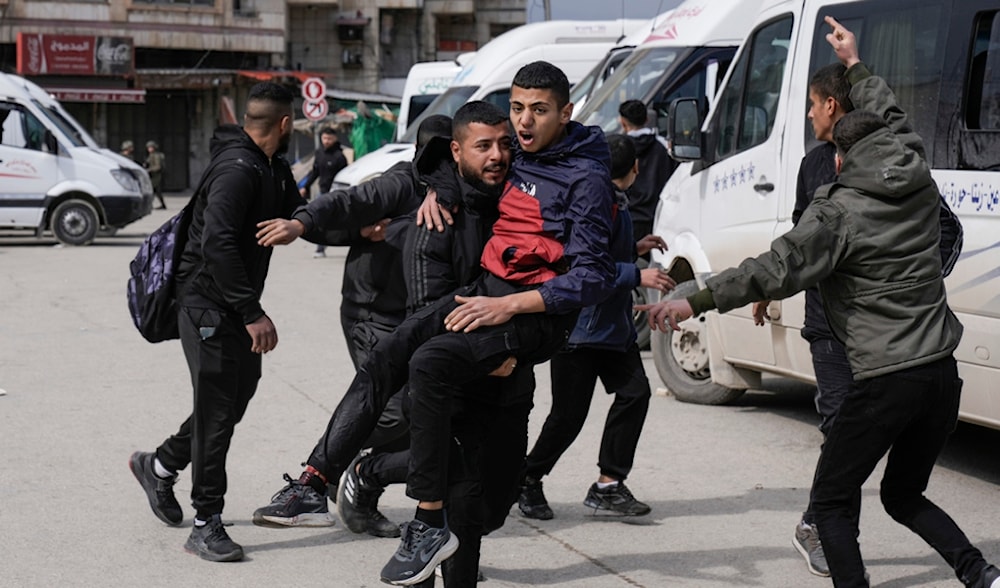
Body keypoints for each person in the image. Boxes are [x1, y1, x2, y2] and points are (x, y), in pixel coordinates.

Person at [640, 18, 1000, 588]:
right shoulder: (915, 169)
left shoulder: (838, 213)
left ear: (838, 156)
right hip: (941, 375)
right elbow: (890, 114)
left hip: (884, 380)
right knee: (904, 496)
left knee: (830, 505)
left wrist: (695, 300)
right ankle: (981, 574)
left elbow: (773, 268)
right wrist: (854, 62)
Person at [257, 60, 617, 586]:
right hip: (464, 349)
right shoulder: (436, 214)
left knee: (487, 506)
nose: (512, 137)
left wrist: (512, 316)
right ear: (456, 153)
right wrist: (305, 220)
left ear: (564, 113)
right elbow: (373, 191)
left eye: (534, 113)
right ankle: (320, 483)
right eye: (516, 111)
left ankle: (388, 487)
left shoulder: (561, 172)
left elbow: (594, 273)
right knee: (412, 374)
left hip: (514, 341)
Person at [249, 114, 454, 536]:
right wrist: (303, 223)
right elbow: (344, 206)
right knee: (396, 410)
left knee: (427, 415)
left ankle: (360, 488)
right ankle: (334, 472)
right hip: (372, 313)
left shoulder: (461, 192)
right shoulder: (400, 183)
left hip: (418, 319)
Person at [128, 82, 305, 563]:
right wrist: (253, 313)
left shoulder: (273, 167)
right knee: (219, 411)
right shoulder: (236, 170)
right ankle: (206, 522)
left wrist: (316, 223)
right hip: (207, 306)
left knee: (230, 402)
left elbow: (298, 212)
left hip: (230, 307)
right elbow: (217, 246)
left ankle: (159, 465)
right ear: (284, 124)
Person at [517, 133, 675, 521]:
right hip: (579, 329)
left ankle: (608, 484)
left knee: (635, 393)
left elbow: (603, 249)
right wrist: (638, 274)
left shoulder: (613, 199)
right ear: (635, 168)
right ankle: (527, 479)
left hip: (612, 329)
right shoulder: (591, 197)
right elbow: (581, 265)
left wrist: (634, 247)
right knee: (568, 417)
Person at [750, 61, 854, 578]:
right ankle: (824, 529)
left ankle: (823, 522)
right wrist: (769, 288)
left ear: (830, 106)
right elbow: (798, 238)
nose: (810, 114)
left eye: (812, 105)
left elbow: (942, 230)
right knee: (840, 424)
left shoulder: (886, 161)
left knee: (866, 429)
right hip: (827, 324)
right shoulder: (813, 164)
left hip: (880, 327)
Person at [617, 99, 673, 241]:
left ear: (623, 122)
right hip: (658, 220)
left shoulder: (618, 147)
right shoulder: (664, 147)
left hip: (627, 220)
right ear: (647, 119)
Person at [300, 126, 348, 258]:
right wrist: (305, 186)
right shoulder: (319, 153)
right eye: (324, 138)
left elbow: (345, 176)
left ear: (335, 138)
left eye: (329, 138)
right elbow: (315, 172)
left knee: (336, 221)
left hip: (335, 193)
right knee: (320, 220)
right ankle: (320, 248)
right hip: (322, 192)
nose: (326, 141)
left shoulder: (340, 157)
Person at [144, 139, 167, 209]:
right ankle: (162, 205)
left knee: (152, 190)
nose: (149, 149)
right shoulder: (151, 155)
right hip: (153, 175)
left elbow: (158, 166)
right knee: (157, 191)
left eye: (150, 147)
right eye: (148, 147)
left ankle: (149, 205)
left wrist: (148, 170)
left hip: (156, 176)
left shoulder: (156, 155)